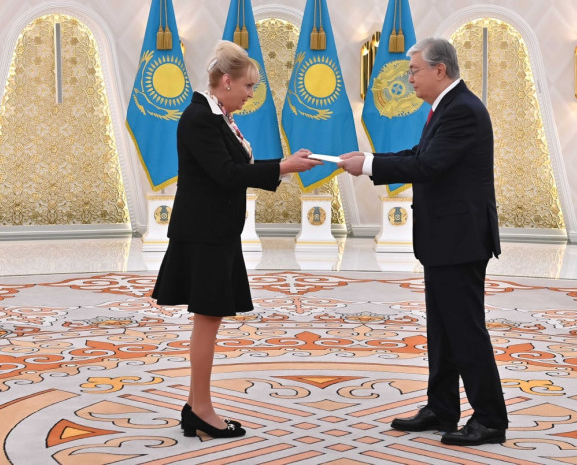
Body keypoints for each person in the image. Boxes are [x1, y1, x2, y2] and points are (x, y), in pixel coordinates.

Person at [338, 37, 507, 446]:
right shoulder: (447, 107)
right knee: (443, 329)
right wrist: (369, 160)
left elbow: (429, 165)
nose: (410, 78)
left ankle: (490, 418)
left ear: (439, 70)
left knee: (464, 330)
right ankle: (442, 407)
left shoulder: (462, 110)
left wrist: (370, 165)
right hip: (445, 238)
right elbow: (420, 152)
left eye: (414, 70)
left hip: (460, 240)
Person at [152, 40, 321, 439]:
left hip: (216, 232)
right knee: (208, 319)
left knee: (208, 319)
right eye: (248, 86)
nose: (250, 94)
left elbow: (234, 167)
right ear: (226, 81)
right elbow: (226, 174)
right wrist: (284, 167)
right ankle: (202, 409)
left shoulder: (217, 117)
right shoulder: (199, 117)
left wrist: (286, 164)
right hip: (204, 235)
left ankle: (195, 406)